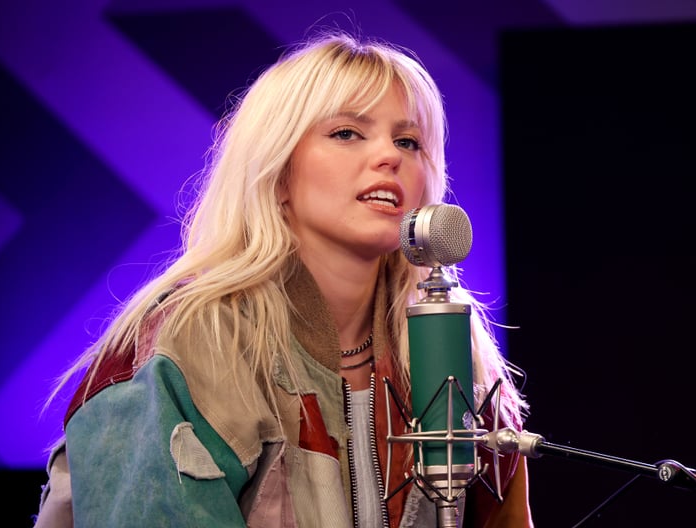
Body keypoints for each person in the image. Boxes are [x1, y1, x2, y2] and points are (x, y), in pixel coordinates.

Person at [33, 29, 533, 527]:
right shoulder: (188, 341)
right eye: (346, 133)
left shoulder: (454, 346)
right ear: (277, 171)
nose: (389, 156)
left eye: (409, 141)